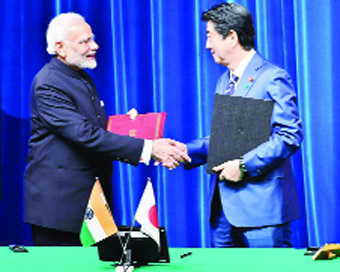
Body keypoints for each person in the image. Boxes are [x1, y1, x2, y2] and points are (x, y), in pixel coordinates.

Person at [24, 12, 190, 246]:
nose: (95, 45)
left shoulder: (79, 77)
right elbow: (84, 135)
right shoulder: (49, 82)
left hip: (90, 205)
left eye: (92, 39)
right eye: (85, 41)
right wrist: (149, 148)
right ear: (60, 47)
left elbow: (90, 129)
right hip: (61, 210)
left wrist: (132, 127)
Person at [184, 3, 303, 247]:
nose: (207, 45)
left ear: (231, 37)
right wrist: (185, 151)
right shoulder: (223, 81)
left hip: (263, 212)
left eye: (210, 36)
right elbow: (227, 137)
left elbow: (289, 135)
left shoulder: (273, 77)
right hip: (222, 214)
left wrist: (244, 166)